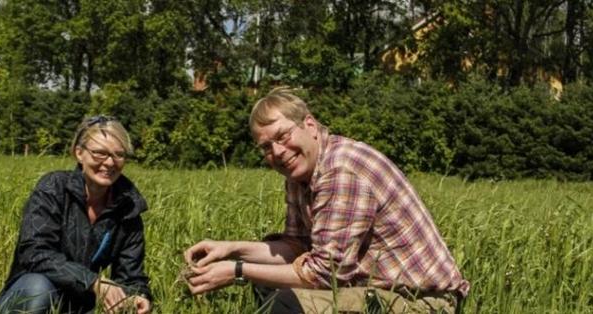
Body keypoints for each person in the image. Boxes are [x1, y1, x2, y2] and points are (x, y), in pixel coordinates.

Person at [184, 88, 470, 313]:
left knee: (285, 303)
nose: (278, 152)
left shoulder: (341, 170)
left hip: (421, 303)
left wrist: (237, 272)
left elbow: (326, 274)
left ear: (309, 124)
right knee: (268, 284)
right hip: (375, 290)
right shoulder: (302, 173)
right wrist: (231, 250)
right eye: (266, 147)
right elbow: (297, 247)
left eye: (283, 136)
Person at [0, 115, 152, 314]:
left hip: (79, 303)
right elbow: (34, 252)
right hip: (33, 290)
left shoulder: (128, 207)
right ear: (79, 153)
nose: (109, 162)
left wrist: (138, 295)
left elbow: (131, 274)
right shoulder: (53, 188)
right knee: (38, 290)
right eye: (99, 153)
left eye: (118, 155)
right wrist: (92, 281)